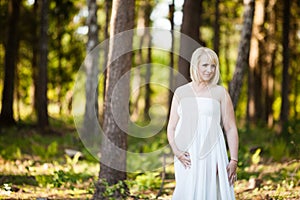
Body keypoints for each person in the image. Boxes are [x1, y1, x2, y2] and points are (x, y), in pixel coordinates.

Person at [167, 47, 239, 199]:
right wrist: (177, 151)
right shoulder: (181, 92)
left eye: (213, 66)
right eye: (205, 65)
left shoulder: (220, 92)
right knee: (185, 191)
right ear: (195, 66)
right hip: (186, 155)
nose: (210, 70)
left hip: (212, 151)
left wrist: (234, 159)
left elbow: (231, 128)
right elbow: (171, 126)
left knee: (211, 191)